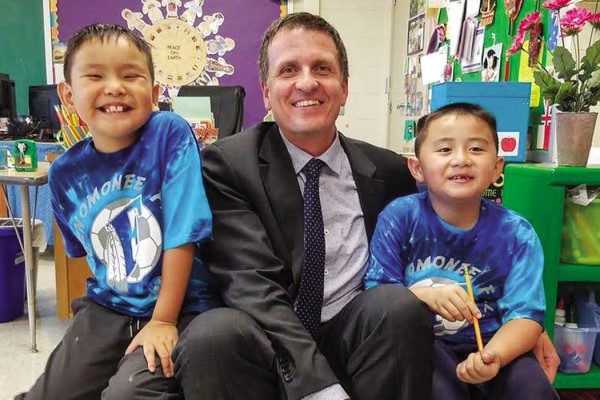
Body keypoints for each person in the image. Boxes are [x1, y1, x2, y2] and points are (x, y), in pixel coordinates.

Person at [194, 11, 434, 400]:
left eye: (322, 68)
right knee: (210, 335)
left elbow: (452, 236)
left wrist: (519, 320)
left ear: (344, 87)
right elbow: (251, 284)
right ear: (266, 91)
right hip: (266, 341)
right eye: (288, 70)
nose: (307, 82)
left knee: (398, 306)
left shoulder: (391, 172)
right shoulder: (228, 164)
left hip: (354, 338)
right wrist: (319, 387)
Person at [18, 23, 222, 399]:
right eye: (94, 75)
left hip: (182, 305)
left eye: (131, 75)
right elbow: (83, 254)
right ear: (67, 94)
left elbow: (182, 232)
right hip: (109, 306)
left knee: (126, 394)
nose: (114, 87)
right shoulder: (64, 172)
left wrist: (162, 319)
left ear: (155, 92)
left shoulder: (168, 133)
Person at [364, 102, 559, 400]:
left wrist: (493, 356)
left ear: (497, 168)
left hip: (496, 343)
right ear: (417, 168)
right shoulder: (399, 218)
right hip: (423, 344)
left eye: (476, 149)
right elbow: (378, 295)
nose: (461, 159)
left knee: (532, 389)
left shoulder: (517, 234)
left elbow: (526, 318)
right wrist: (422, 295)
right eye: (444, 150)